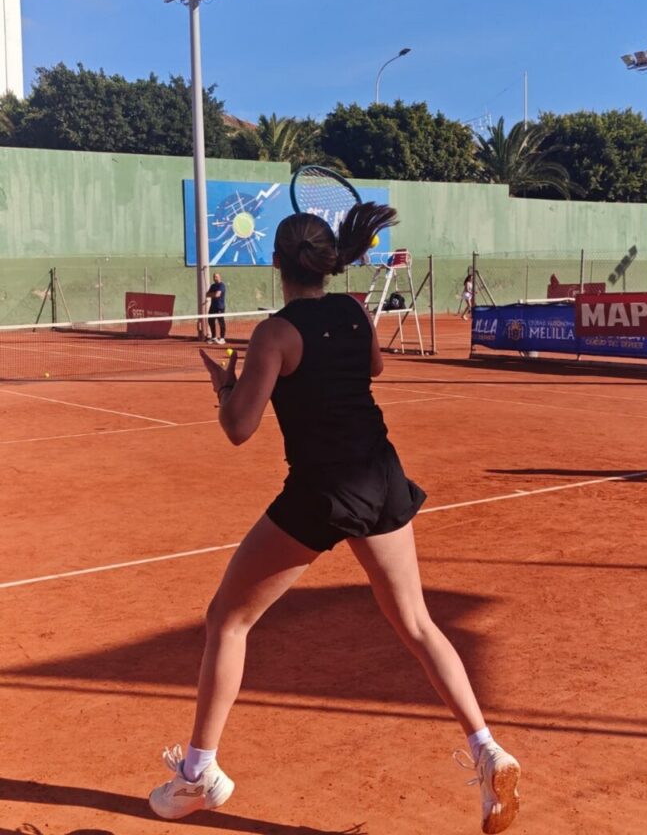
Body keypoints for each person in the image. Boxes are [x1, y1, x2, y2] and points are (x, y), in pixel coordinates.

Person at [148, 204, 521, 834]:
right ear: (324, 263)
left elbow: (239, 429)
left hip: (322, 490)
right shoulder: (352, 311)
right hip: (381, 476)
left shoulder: (274, 333)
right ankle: (488, 750)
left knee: (227, 620)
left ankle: (198, 776)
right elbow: (372, 367)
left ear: (276, 263)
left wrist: (226, 387)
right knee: (417, 623)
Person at [206, 272, 227, 344]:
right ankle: (214, 337)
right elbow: (207, 294)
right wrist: (214, 294)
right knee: (210, 321)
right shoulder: (213, 286)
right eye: (214, 277)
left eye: (217, 277)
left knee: (221, 322)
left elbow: (218, 295)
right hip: (213, 307)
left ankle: (222, 338)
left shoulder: (222, 285)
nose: (215, 278)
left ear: (220, 277)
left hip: (220, 307)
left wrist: (213, 294)